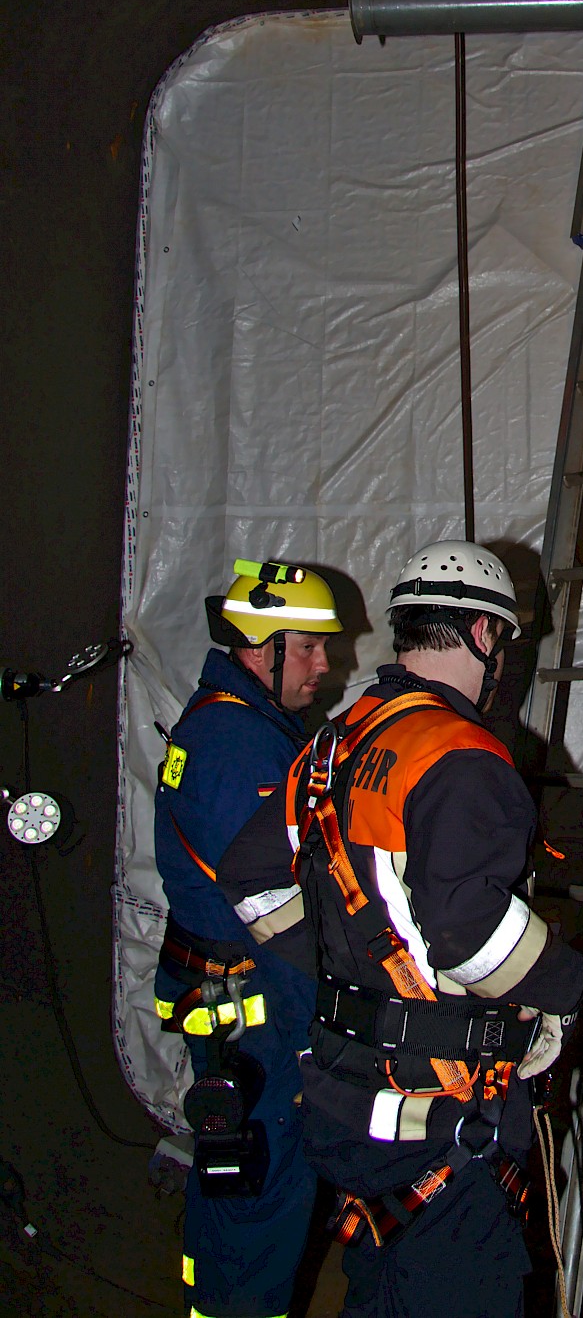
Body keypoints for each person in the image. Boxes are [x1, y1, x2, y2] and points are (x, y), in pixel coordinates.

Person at [217, 541, 583, 1318]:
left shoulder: (335, 739)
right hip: (446, 1116)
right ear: (487, 637)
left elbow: (250, 877)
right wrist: (565, 986)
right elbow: (465, 934)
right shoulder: (462, 756)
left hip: (347, 1100)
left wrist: (341, 979)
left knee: (383, 1292)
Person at [154, 557, 343, 1318]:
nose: (325, 665)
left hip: (231, 1012)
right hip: (260, 1019)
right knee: (265, 1192)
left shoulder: (236, 727)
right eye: (309, 648)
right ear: (260, 649)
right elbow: (276, 914)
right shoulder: (237, 746)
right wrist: (317, 1030)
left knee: (232, 1183)